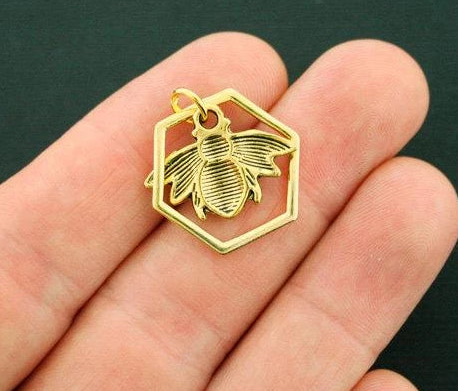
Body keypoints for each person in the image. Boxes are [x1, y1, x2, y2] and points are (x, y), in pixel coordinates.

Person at [1, 32, 456, 390]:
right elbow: (165, 183)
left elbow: (276, 148)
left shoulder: (218, 151)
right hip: (224, 188)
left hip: (228, 187)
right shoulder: (215, 153)